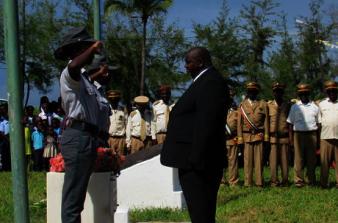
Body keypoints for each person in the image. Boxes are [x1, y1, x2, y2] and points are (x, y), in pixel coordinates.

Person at [161, 47, 229, 223]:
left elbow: (207, 124)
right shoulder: (203, 81)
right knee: (199, 213)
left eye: (188, 62)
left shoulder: (211, 82)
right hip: (195, 162)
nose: (186, 66)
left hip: (200, 164)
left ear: (200, 62)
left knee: (201, 214)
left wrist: (195, 160)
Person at [54, 27, 105, 223]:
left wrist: (99, 73)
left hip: (87, 138)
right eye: (85, 47)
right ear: (77, 51)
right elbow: (75, 67)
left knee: (77, 198)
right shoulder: (70, 72)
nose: (90, 52)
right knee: (73, 201)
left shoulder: (83, 78)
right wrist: (92, 49)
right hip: (78, 137)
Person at [287, 83, 319, 187]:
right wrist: (291, 140)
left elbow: (318, 124)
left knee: (311, 159)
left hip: (312, 135)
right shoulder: (295, 107)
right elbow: (290, 124)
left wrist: (318, 139)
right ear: (299, 95)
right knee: (298, 159)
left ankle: (311, 179)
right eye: (302, 94)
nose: (304, 96)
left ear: (308, 94)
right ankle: (299, 180)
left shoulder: (315, 107)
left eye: (306, 93)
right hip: (298, 135)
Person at [237, 82, 269, 187]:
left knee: (259, 161)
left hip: (258, 135)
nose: (252, 93)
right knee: (247, 161)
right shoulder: (242, 105)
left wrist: (266, 137)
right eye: (250, 91)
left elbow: (266, 121)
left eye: (254, 91)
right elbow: (239, 124)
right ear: (247, 92)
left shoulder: (262, 104)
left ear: (257, 92)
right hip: (246, 136)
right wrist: (240, 138)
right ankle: (248, 183)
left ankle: (259, 182)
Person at [267, 82, 291, 186]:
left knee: (285, 161)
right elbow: (266, 122)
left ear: (282, 93)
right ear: (273, 93)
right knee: (273, 162)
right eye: (276, 92)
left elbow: (290, 122)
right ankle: (274, 181)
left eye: (280, 92)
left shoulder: (288, 105)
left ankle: (285, 181)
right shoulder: (268, 105)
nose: (278, 94)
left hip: (284, 138)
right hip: (273, 138)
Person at [318, 80, 338, 188]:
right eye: (329, 91)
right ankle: (324, 183)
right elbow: (319, 122)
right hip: (325, 137)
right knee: (324, 163)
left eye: (334, 91)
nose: (332, 93)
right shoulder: (321, 104)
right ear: (327, 92)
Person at [225, 90, 239, 186]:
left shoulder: (236, 110)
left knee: (233, 161)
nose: (230, 98)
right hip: (221, 139)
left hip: (232, 139)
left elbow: (239, 125)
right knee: (220, 161)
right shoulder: (219, 109)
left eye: (231, 96)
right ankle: (221, 181)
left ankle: (233, 181)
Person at [107, 90, 127, 156]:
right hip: (110, 139)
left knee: (120, 160)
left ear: (118, 100)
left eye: (115, 99)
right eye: (111, 99)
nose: (113, 101)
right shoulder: (106, 109)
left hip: (121, 139)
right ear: (109, 100)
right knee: (109, 159)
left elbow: (126, 125)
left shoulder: (123, 110)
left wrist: (127, 140)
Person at [0, 103, 10, 171]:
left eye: (3, 109)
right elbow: (1, 132)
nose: (2, 111)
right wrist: (8, 139)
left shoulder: (11, 119)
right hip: (5, 140)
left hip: (11, 139)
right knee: (4, 155)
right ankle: (5, 168)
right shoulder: (2, 121)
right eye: (1, 109)